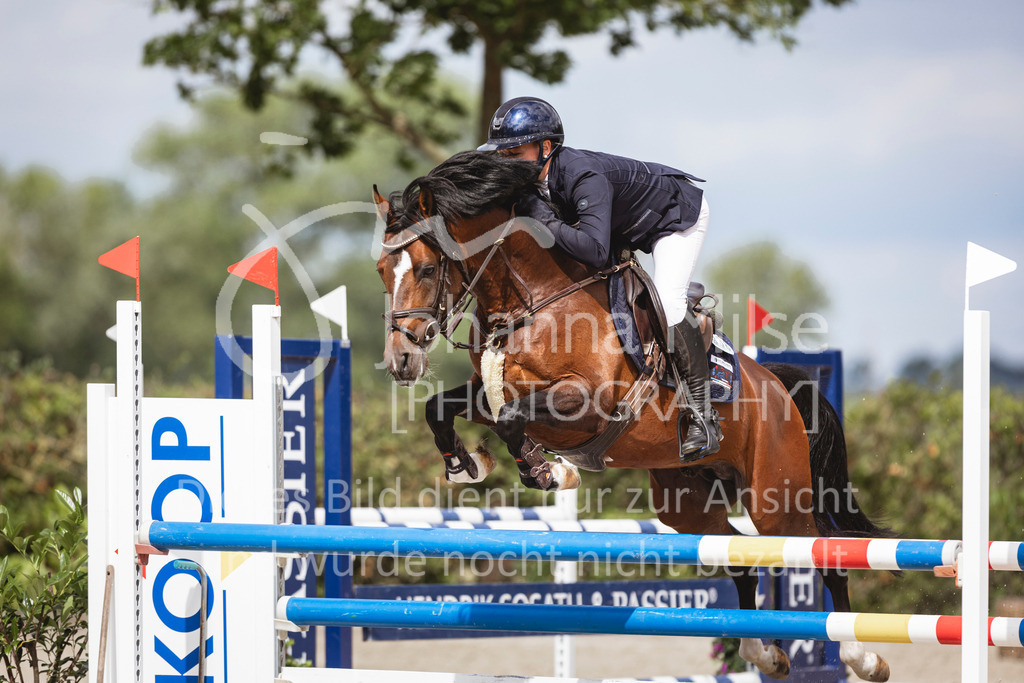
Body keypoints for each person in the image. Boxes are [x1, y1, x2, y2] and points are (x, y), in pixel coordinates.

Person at [478, 96, 721, 458]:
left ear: (546, 147)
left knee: (669, 303)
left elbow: (592, 249)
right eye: (502, 155)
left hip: (673, 217)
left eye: (514, 153)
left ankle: (703, 417)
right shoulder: (533, 181)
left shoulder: (582, 174)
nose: (506, 162)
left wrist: (543, 220)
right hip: (623, 225)